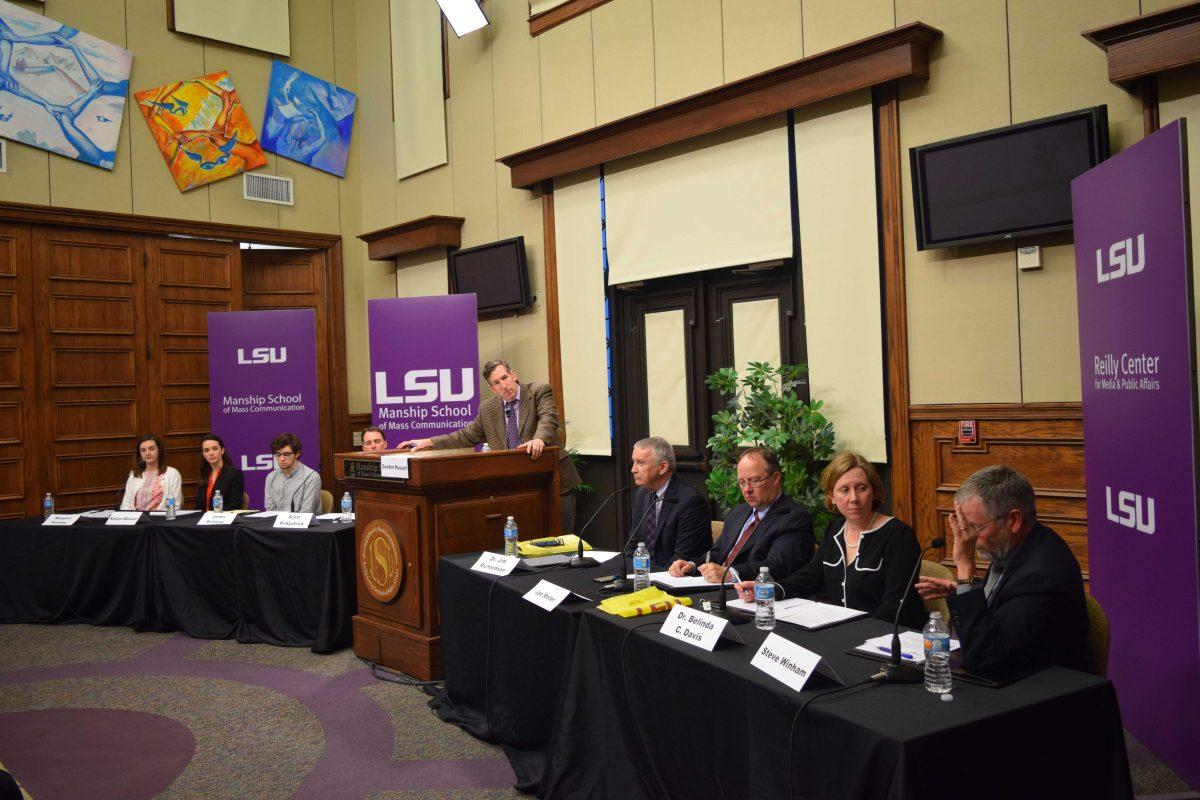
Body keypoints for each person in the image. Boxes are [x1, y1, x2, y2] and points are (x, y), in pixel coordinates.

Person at [915, 465, 1089, 678]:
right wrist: (970, 590)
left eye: (975, 528)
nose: (967, 538)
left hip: (1041, 693)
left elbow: (984, 658)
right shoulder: (1019, 545)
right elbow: (1005, 604)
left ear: (1013, 520)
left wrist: (965, 570)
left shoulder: (1042, 574)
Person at [736, 452, 924, 628]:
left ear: (874, 491)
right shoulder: (835, 530)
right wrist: (769, 589)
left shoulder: (898, 535)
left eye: (862, 488)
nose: (854, 499)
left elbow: (895, 604)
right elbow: (812, 576)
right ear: (831, 497)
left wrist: (860, 635)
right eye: (844, 490)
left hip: (887, 638)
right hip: (844, 631)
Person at [398, 359, 582, 534]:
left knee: (562, 539)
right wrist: (430, 442)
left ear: (513, 374)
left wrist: (539, 439)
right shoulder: (487, 409)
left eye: (505, 378)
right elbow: (466, 435)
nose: (504, 385)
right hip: (519, 488)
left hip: (554, 480)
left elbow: (548, 418)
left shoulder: (538, 391)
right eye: (497, 383)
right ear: (492, 388)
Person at [668, 447, 814, 583]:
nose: (747, 490)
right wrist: (692, 566)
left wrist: (730, 574)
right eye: (742, 483)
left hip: (757, 595)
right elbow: (717, 553)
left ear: (775, 478)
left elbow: (777, 565)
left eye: (754, 481)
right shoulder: (738, 512)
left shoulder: (793, 517)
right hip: (715, 589)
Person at [625, 437, 710, 569]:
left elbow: (682, 558)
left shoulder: (690, 501)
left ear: (663, 467)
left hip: (672, 577)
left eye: (640, 463)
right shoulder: (642, 494)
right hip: (643, 575)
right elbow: (633, 545)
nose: (633, 469)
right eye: (634, 462)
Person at [120, 434, 183, 511]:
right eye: (143, 450)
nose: (147, 453)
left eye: (151, 449)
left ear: (159, 450)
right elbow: (126, 504)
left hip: (160, 519)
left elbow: (175, 505)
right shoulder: (133, 474)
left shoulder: (172, 474)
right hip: (136, 519)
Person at [263, 432, 322, 514]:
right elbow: (270, 509)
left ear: (297, 453)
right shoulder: (271, 477)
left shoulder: (311, 477)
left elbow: (307, 512)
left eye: (286, 454)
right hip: (277, 525)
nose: (282, 459)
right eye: (278, 455)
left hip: (304, 525)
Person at [195, 433, 245, 511]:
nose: (211, 453)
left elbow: (235, 506)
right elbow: (198, 506)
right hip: (203, 520)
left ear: (222, 450)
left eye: (215, 449)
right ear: (203, 454)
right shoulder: (205, 474)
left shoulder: (235, 474)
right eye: (206, 450)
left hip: (223, 520)